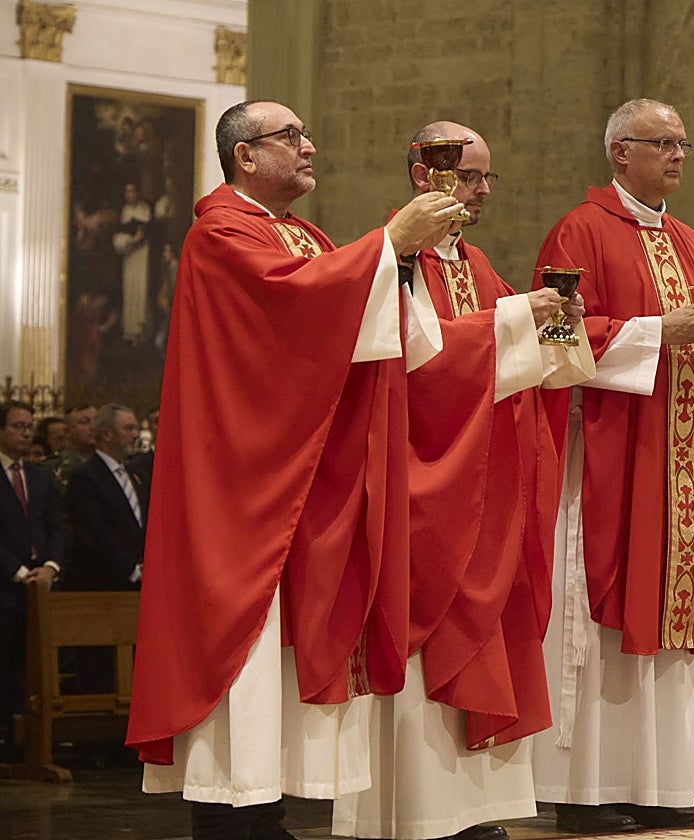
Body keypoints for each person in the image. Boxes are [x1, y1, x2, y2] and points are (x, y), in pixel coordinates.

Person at [125, 100, 464, 840]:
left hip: (302, 474)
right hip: (240, 481)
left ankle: (266, 806)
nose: (310, 146)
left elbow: (368, 333)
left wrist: (396, 259)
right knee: (240, 641)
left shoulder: (304, 234)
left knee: (282, 649)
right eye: (291, 137)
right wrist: (388, 243)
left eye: (307, 133)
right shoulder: (219, 232)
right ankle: (227, 814)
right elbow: (289, 313)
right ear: (244, 155)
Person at [333, 122, 592, 840]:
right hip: (424, 484)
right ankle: (417, 811)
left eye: (486, 178)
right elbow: (411, 368)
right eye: (470, 175)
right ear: (426, 175)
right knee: (426, 646)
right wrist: (516, 319)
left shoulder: (478, 265)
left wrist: (553, 327)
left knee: (491, 633)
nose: (481, 190)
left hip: (486, 485)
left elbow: (516, 367)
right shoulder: (395, 258)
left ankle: (480, 806)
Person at [529, 98, 694, 834]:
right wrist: (659, 330)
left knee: (669, 617)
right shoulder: (580, 229)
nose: (679, 155)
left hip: (679, 459)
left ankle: (658, 784)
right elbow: (557, 333)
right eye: (663, 143)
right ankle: (587, 792)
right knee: (605, 615)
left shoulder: (691, 242)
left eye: (684, 143)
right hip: (611, 454)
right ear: (620, 153)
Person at [0, 401, 64, 761]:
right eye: (17, 426)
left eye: (29, 426)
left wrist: (51, 566)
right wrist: (20, 572)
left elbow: (57, 525)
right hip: (7, 586)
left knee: (32, 669)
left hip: (41, 587)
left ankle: (29, 743)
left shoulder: (40, 475)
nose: (26, 433)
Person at [64, 403, 148, 592]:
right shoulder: (86, 477)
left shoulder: (137, 475)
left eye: (136, 428)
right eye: (128, 429)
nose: (136, 435)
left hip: (140, 583)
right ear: (107, 434)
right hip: (102, 584)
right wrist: (131, 569)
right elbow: (94, 531)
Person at [113, 181, 153, 343]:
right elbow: (120, 232)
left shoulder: (144, 209)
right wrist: (128, 240)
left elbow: (145, 230)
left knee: (140, 289)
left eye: (132, 191)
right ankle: (129, 330)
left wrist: (138, 237)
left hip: (142, 256)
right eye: (127, 192)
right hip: (129, 256)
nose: (129, 195)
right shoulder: (124, 211)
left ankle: (141, 331)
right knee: (129, 289)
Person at [44, 403, 96, 494]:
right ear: (67, 431)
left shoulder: (112, 463)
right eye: (84, 422)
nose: (93, 427)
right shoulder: (54, 465)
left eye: (97, 421)